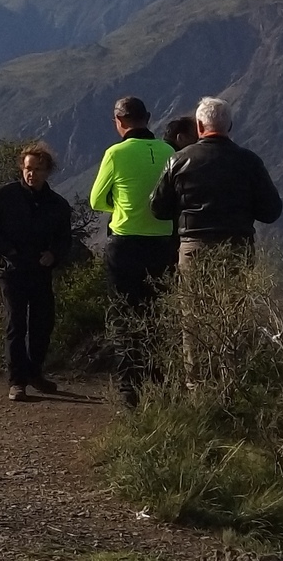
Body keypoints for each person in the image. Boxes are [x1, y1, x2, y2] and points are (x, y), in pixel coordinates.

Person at [0, 142, 74, 402]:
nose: (32, 174)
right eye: (28, 168)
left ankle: (34, 373)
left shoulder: (57, 205)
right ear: (21, 168)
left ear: (48, 171)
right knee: (16, 324)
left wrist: (54, 255)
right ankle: (17, 382)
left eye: (38, 169)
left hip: (39, 270)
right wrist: (5, 249)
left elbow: (64, 238)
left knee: (42, 323)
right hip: (11, 269)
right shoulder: (4, 194)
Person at [88, 95, 176, 403]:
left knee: (125, 316)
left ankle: (129, 390)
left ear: (119, 122)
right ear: (148, 117)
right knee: (156, 314)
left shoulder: (116, 153)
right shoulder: (169, 151)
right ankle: (158, 383)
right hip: (163, 245)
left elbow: (96, 200)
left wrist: (124, 205)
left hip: (125, 243)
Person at [147, 96, 283, 270]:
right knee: (235, 298)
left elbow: (158, 208)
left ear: (199, 126)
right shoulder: (250, 161)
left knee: (194, 297)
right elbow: (271, 211)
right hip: (237, 250)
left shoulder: (179, 160)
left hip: (193, 249)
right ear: (230, 126)